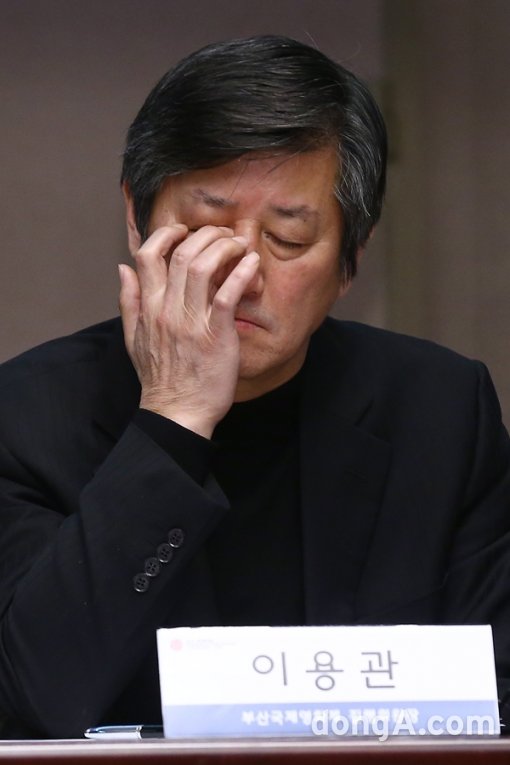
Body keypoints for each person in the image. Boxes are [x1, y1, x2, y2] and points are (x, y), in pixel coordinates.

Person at [1, 34, 510, 740]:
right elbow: (29, 701)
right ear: (136, 219)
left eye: (288, 241)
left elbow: (492, 697)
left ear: (352, 258)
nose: (239, 274)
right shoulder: (24, 416)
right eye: (205, 229)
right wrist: (175, 416)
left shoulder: (441, 411)